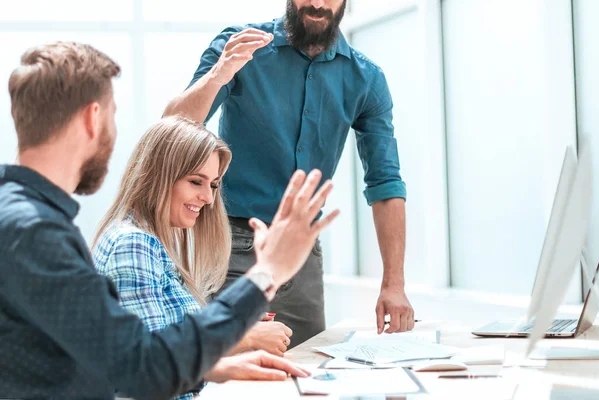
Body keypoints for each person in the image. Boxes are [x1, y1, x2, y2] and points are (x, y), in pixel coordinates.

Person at [0, 41, 338, 399]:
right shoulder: (35, 232)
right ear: (92, 117)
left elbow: (116, 359)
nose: (208, 198)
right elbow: (143, 371)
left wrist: (215, 367)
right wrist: (266, 272)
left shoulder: (24, 220)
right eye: (114, 115)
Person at [164, 0, 414, 347]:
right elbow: (171, 129)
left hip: (302, 254)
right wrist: (218, 74)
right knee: (220, 366)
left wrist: (393, 283)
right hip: (230, 246)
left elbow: (385, 182)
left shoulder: (365, 79)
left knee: (306, 373)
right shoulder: (240, 47)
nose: (317, 4)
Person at [93, 117, 294, 378]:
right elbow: (154, 364)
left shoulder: (148, 241)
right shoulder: (133, 245)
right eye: (196, 182)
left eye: (213, 185)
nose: (209, 198)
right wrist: (245, 336)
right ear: (158, 177)